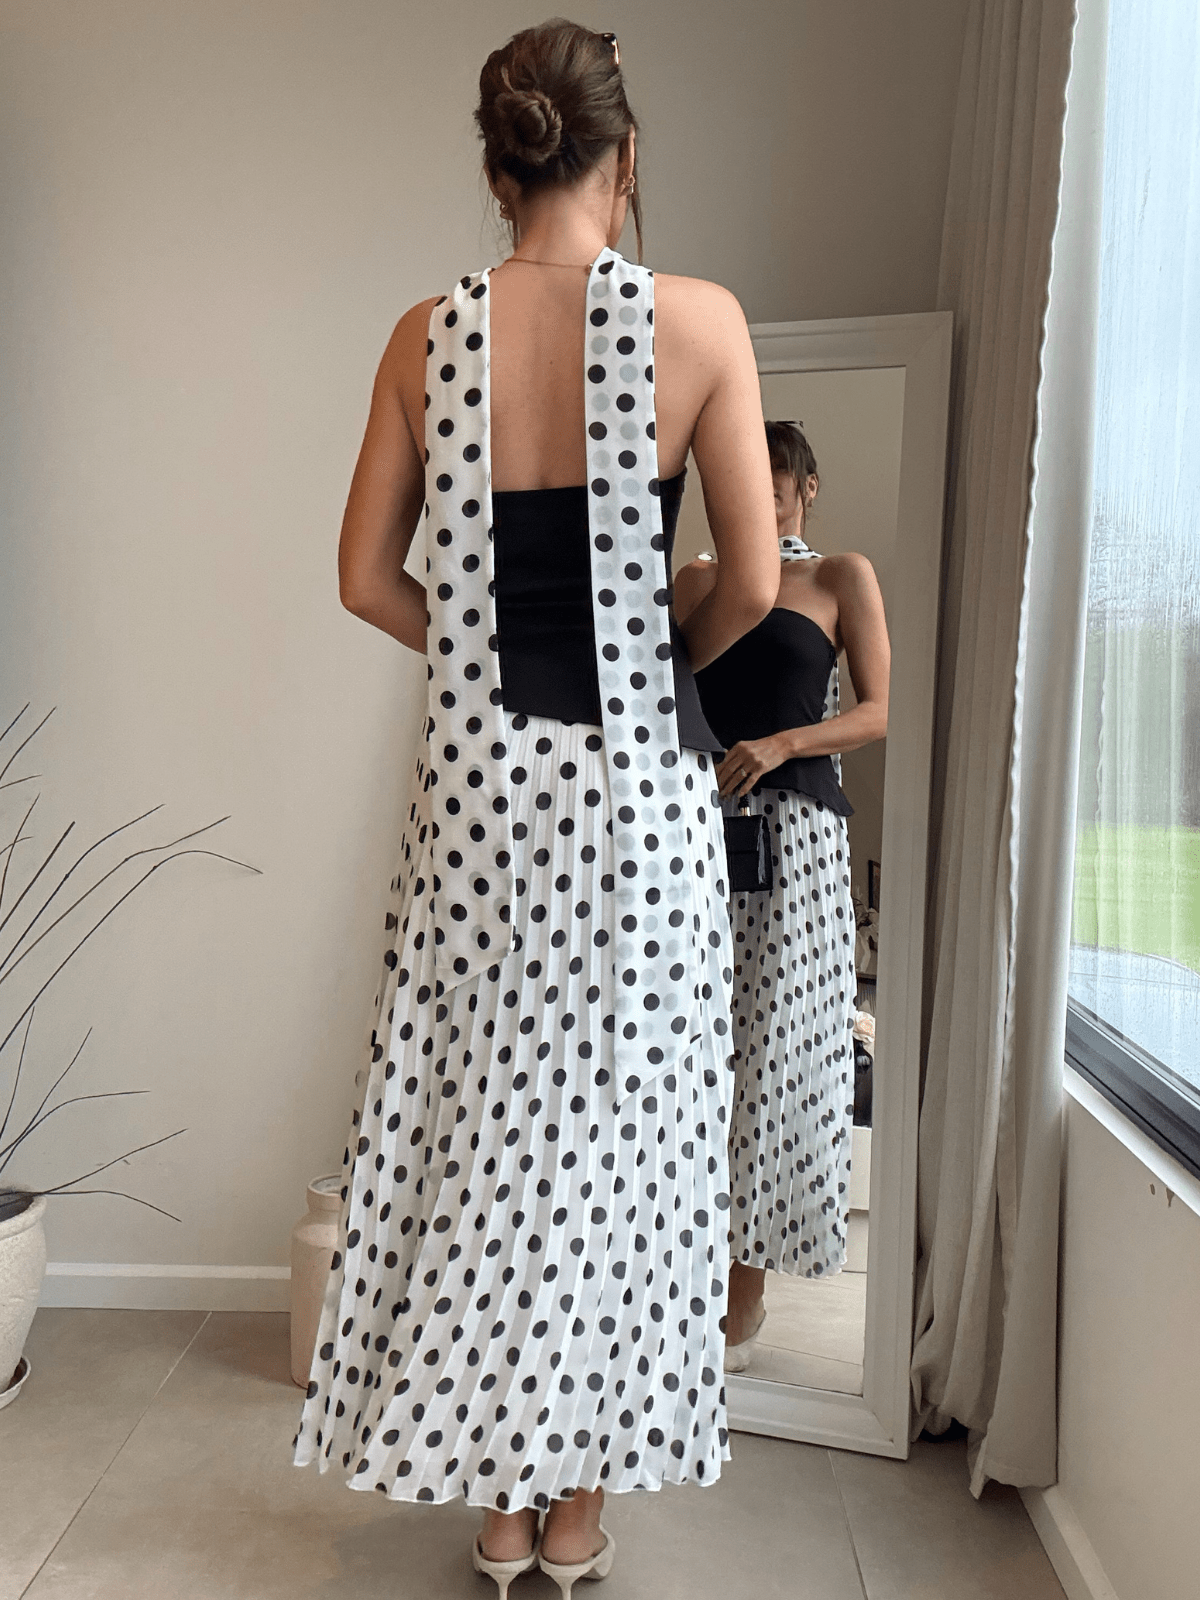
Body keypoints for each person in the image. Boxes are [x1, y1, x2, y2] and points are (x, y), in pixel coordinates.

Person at [292, 20, 780, 1597]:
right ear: (622, 164)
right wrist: (649, 660)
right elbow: (752, 586)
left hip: (486, 795)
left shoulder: (422, 336)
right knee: (625, 1145)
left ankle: (498, 1509)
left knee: (493, 1131)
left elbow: (366, 579)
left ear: (501, 170)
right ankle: (574, 1517)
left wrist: (484, 652)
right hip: (638, 803)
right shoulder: (699, 321)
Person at [676, 420, 890, 1371]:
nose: (760, 486)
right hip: (693, 832)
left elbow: (879, 710)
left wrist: (781, 745)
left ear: (807, 486)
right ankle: (668, 1271)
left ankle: (744, 1293)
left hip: (797, 839)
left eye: (777, 474)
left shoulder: (841, 577)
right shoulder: (695, 584)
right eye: (742, 473)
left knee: (775, 1053)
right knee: (687, 1045)